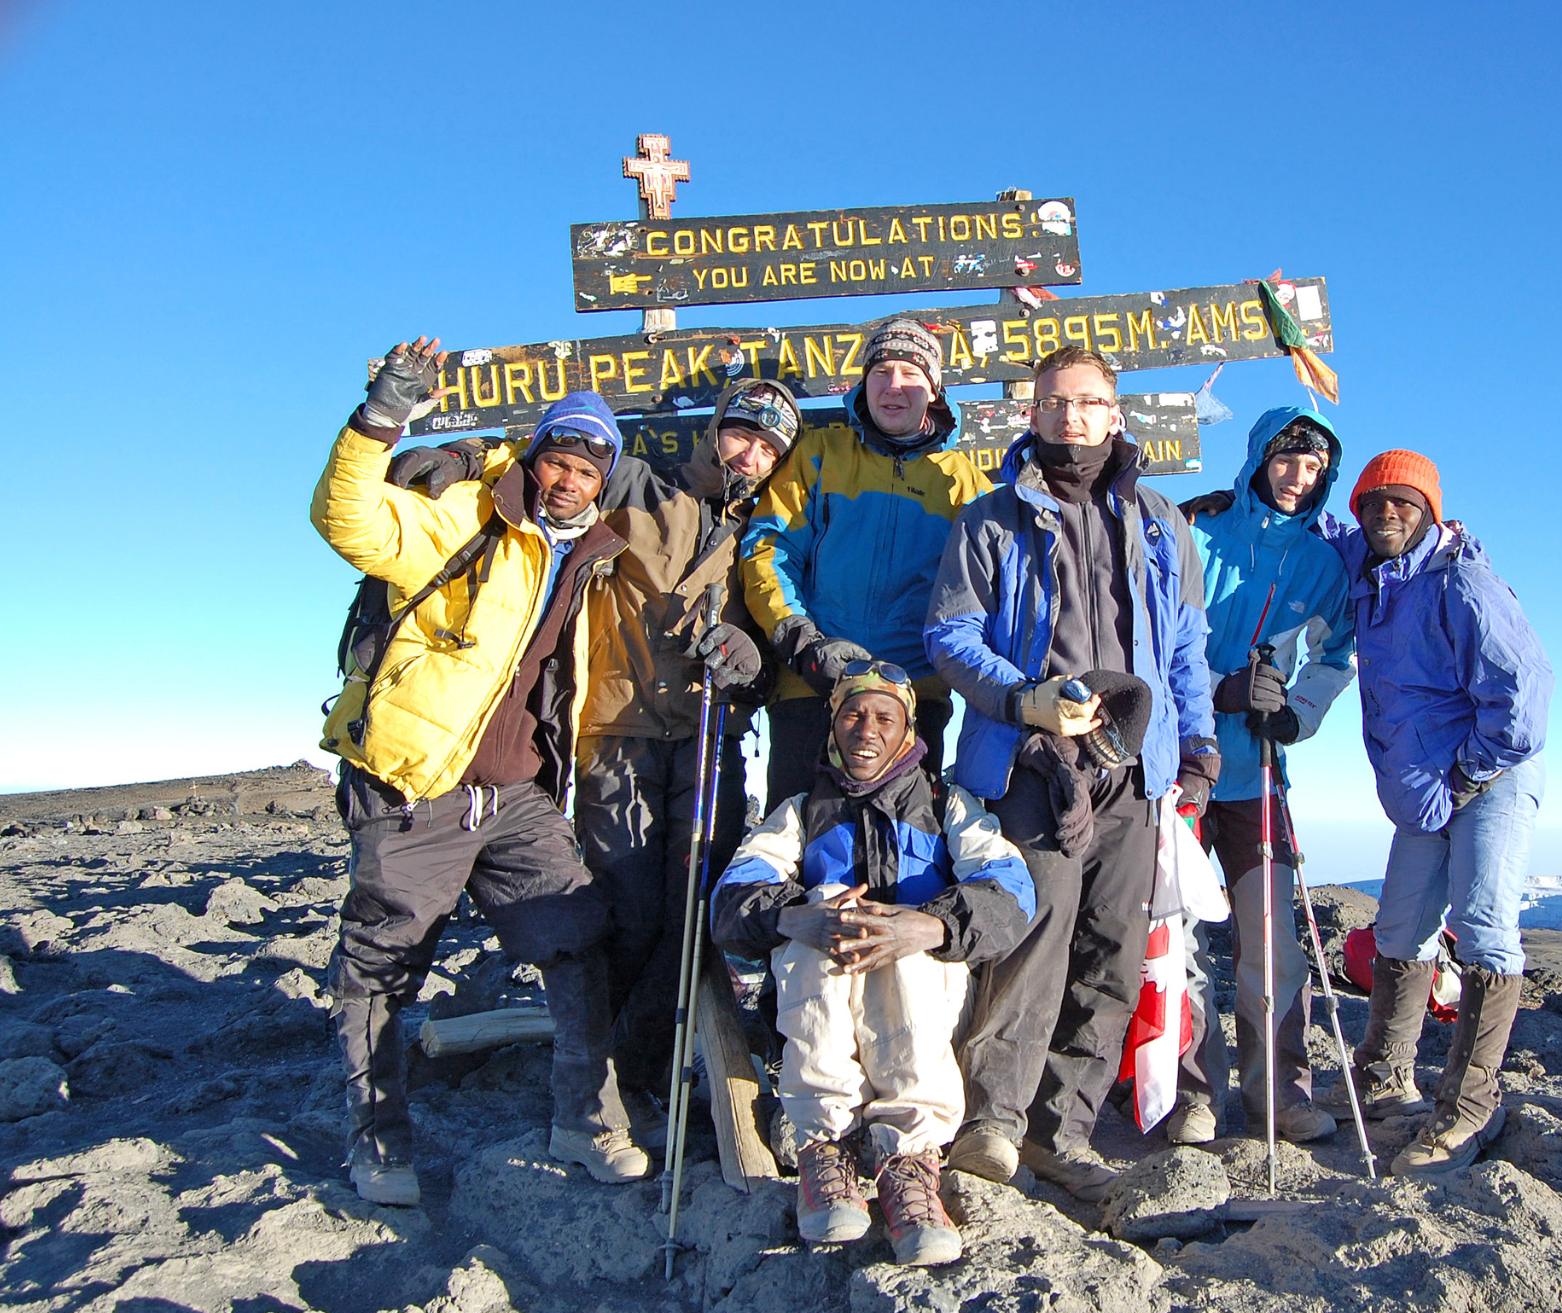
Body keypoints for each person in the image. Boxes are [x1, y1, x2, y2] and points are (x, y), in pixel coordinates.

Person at [390, 380, 806, 1098]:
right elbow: (553, 457)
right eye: (743, 434)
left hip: (712, 737)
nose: (752, 454)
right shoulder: (636, 482)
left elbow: (766, 653)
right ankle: (615, 1068)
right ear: (715, 429)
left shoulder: (764, 527)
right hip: (617, 732)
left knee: (698, 907)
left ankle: (647, 1064)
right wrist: (464, 453)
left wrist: (750, 659)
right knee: (631, 907)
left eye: (770, 448)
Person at [312, 339, 648, 1205]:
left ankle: (583, 1119)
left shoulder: (591, 557)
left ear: (603, 480)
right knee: (383, 962)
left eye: (585, 468)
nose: (566, 480)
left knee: (575, 939)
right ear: (533, 461)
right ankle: (379, 1139)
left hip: (518, 798)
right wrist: (381, 416)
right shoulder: (463, 518)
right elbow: (347, 517)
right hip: (417, 787)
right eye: (557, 460)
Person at [925, 345, 1221, 1202]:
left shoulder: (1162, 522)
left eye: (1088, 402)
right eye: (1053, 403)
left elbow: (1185, 651)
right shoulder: (990, 519)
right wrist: (1026, 701)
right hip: (1030, 764)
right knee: (1028, 938)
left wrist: (1197, 749)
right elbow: (950, 635)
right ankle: (994, 1122)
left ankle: (1065, 1128)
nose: (1070, 417)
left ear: (1115, 414)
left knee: (1113, 952)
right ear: (1030, 413)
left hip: (1133, 768)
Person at [709, 664, 1034, 1266]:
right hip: (822, 1003)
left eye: (885, 718)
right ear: (832, 726)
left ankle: (910, 1161)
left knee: (904, 931)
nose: (867, 729)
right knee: (821, 906)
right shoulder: (800, 812)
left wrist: (927, 924)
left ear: (908, 730)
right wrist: (797, 918)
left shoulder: (948, 806)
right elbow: (732, 898)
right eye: (854, 715)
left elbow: (1012, 891)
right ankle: (823, 1148)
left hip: (924, 1002)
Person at [1334, 449, 1552, 1175]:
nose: (1387, 513)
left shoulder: (1461, 580)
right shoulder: (1374, 575)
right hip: (1427, 782)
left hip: (1487, 772)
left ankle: (1467, 1107)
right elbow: (1310, 529)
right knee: (1400, 923)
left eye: (1405, 502)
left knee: (1486, 926)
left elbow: (1524, 698)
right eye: (1375, 502)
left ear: (1429, 511)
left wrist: (1465, 773)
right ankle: (1385, 1074)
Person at [1176, 407, 1356, 1147]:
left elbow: (1337, 649)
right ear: (1258, 458)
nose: (1298, 477)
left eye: (1313, 467)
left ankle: (1278, 1089)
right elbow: (1155, 634)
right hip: (1181, 768)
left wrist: (1296, 712)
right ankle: (1189, 1091)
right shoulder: (1198, 534)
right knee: (1173, 935)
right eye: (1287, 460)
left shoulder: (1320, 564)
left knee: (1271, 941)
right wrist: (1217, 689)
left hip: (1258, 773)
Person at [741, 318, 992, 809]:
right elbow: (769, 548)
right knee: (795, 844)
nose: (893, 386)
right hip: (811, 686)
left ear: (935, 390)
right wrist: (800, 639)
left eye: (910, 374)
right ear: (863, 383)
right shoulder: (820, 454)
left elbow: (984, 591)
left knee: (902, 857)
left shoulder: (964, 484)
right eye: (880, 371)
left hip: (913, 696)